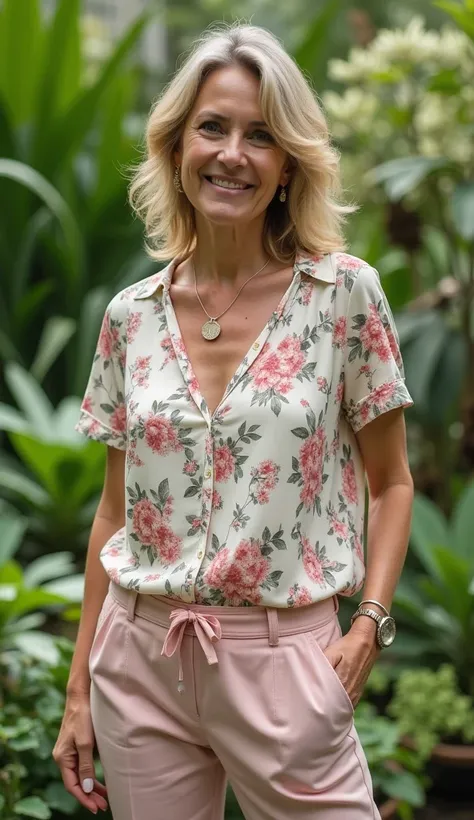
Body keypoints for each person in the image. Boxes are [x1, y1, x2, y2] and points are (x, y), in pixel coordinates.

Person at [53, 22, 414, 820]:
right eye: (213, 127)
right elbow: (114, 514)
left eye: (261, 135)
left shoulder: (343, 297)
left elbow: (392, 484)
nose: (233, 154)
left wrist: (367, 628)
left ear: (287, 165)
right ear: (177, 145)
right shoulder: (129, 317)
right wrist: (78, 686)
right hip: (140, 657)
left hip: (286, 661)